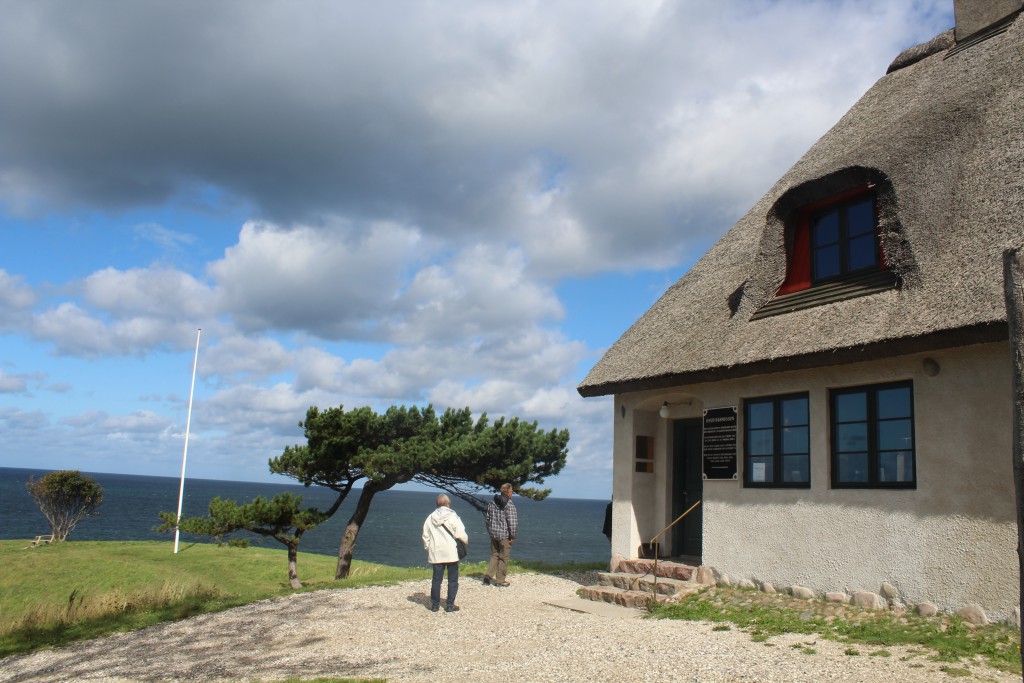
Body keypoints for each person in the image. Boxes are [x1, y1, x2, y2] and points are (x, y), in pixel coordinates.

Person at [422, 493, 468, 613]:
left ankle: (435, 605)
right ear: (448, 503)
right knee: (452, 580)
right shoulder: (453, 516)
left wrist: (429, 548)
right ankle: (449, 605)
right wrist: (464, 542)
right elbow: (461, 534)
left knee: (436, 580)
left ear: (437, 504)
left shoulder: (430, 517)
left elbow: (425, 536)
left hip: (436, 552)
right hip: (451, 552)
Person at [483, 483, 517, 587]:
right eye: (512, 491)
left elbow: (487, 519)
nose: (512, 493)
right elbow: (512, 523)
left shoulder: (492, 503)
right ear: (508, 493)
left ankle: (488, 576)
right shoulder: (509, 505)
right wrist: (512, 536)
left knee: (494, 555)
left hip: (493, 534)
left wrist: (490, 531)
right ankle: (500, 580)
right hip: (504, 535)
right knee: (503, 557)